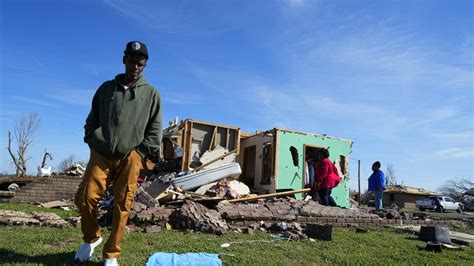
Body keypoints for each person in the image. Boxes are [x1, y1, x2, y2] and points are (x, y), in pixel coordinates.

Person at [74, 41, 162, 266]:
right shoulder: (106, 89)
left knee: (123, 204)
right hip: (101, 152)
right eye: (132, 61)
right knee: (85, 198)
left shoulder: (151, 94)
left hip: (130, 156)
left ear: (145, 66)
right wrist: (91, 139)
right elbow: (92, 118)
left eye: (140, 64)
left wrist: (140, 153)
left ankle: (111, 254)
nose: (136, 66)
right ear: (124, 60)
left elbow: (155, 129)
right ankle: (92, 238)